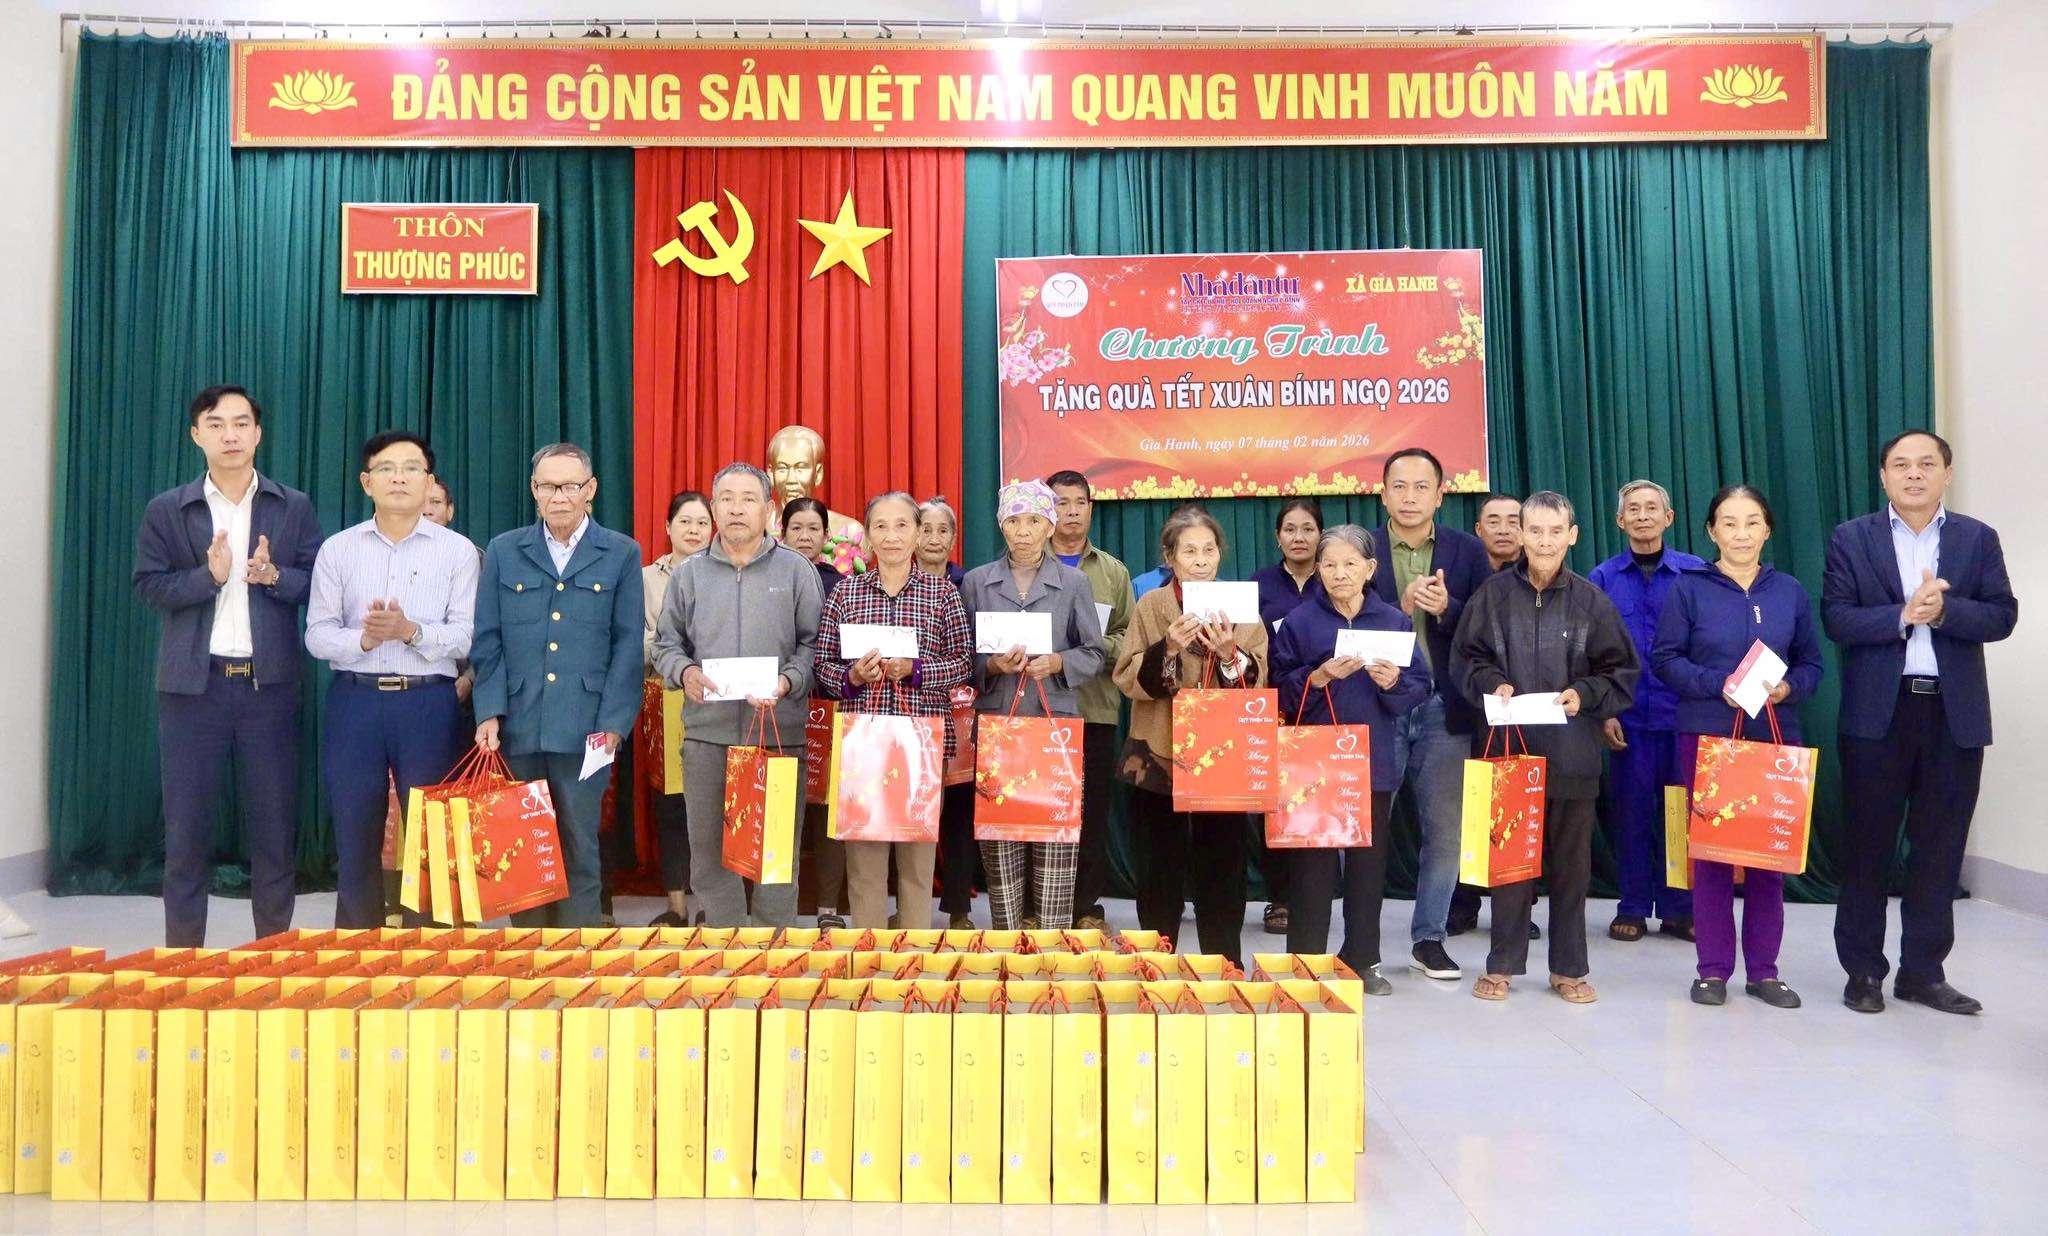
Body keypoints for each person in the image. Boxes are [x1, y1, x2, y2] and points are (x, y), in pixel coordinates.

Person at [1824, 430, 2017, 1015]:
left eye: (1926, 464)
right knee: (1868, 846)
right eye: (1901, 465)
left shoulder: (1977, 538)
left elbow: (2003, 615)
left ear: (1946, 474)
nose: (1914, 474)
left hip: (1953, 716)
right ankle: (1863, 972)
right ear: (1883, 476)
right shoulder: (1852, 537)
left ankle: (1923, 973)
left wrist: (1946, 611)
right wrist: (1903, 615)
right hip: (1878, 715)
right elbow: (1837, 618)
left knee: (1940, 848)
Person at [133, 385, 324, 947]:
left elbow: (319, 583)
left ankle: (273, 956)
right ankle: (184, 963)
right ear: (197, 435)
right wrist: (208, 578)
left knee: (274, 831)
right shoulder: (168, 509)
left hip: (270, 690)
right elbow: (148, 586)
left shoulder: (293, 506)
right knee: (186, 834)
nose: (230, 435)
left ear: (258, 434)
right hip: (193, 691)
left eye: (241, 423)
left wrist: (275, 576)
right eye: (216, 425)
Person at [1450, 491, 1639, 1003]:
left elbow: (1621, 671)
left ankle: (1569, 969)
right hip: (1509, 753)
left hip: (1573, 754)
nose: (1545, 541)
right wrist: (1491, 682)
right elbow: (1466, 659)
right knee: (1510, 866)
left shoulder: (1592, 602)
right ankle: (1502, 964)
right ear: (1520, 534)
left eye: (1556, 531)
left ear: (1572, 535)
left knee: (1571, 871)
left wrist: (1586, 694)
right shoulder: (1491, 596)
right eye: (1535, 531)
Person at [1652, 485, 1824, 1009]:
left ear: (1767, 529)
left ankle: (1765, 972)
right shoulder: (1688, 589)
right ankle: (1713, 971)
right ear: (1712, 531)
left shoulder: (1789, 591)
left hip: (1774, 737)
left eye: (1752, 522)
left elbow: (1813, 665)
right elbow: (1665, 659)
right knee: (1713, 858)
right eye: (1729, 523)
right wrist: (1715, 684)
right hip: (1708, 736)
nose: (1741, 533)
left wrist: (1789, 688)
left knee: (1769, 857)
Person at [304, 431, 477, 929]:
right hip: (355, 703)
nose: (399, 478)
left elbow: (466, 636)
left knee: (431, 834)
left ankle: (431, 951)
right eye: (386, 468)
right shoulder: (338, 550)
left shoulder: (458, 552)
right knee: (354, 827)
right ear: (366, 482)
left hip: (428, 704)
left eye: (411, 468)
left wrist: (410, 632)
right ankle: (358, 948)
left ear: (429, 481)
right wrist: (363, 640)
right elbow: (316, 634)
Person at [471, 443, 645, 928]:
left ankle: (578, 953)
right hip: (519, 723)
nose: (559, 496)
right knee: (523, 846)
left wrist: (614, 724)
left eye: (571, 486)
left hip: (587, 728)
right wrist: (488, 712)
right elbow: (487, 639)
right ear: (533, 490)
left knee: (578, 845)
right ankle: (529, 954)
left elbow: (628, 646)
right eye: (548, 486)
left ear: (591, 490)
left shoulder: (621, 552)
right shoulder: (505, 550)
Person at [653, 462, 822, 928]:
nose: (736, 509)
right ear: (713, 508)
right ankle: (727, 948)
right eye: (726, 499)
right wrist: (685, 672)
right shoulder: (689, 575)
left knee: (775, 858)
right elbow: (666, 644)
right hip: (707, 738)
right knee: (708, 857)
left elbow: (815, 644)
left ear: (769, 509)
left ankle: (773, 953)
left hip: (777, 736)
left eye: (748, 499)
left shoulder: (796, 570)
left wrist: (788, 681)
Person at [1268, 524, 1428, 994]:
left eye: (1350, 564)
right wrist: (1315, 678)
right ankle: (1305, 962)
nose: (1340, 573)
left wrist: (1392, 683)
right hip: (1313, 763)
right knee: (1312, 867)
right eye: (1330, 564)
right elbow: (1276, 689)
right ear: (1318, 569)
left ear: (1370, 568)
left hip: (1372, 760)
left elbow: (1420, 686)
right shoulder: (1300, 622)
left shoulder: (1393, 622)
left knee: (1367, 867)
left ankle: (1362, 959)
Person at [1114, 506, 1269, 966]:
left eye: (1208, 550)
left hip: (1221, 754)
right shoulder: (1152, 606)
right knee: (1158, 865)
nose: (1200, 560)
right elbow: (1126, 676)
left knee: (1222, 863)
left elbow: (1259, 677)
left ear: (1220, 553)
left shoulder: (1240, 605)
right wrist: (1169, 648)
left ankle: (1223, 964)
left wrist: (1230, 655)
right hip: (1159, 750)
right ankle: (1156, 963)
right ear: (1170, 557)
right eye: (1189, 552)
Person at [814, 492, 974, 930]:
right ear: (867, 536)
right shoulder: (845, 593)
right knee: (864, 861)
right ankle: (870, 954)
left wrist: (916, 670)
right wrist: (853, 677)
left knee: (917, 862)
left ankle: (913, 954)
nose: (891, 536)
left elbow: (963, 663)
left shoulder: (943, 594)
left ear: (918, 534)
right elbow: (823, 665)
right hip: (862, 746)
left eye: (902, 525)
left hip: (921, 747)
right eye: (880, 526)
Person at [1369, 448, 1493, 980]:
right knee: (1368, 831)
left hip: (1445, 707)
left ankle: (1429, 939)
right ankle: (1362, 941)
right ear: (1383, 494)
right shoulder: (1362, 549)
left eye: (1422, 487)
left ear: (1441, 495)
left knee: (1445, 833)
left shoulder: (1467, 551)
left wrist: (1449, 610)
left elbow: (1488, 627)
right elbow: (1340, 621)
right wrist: (1396, 610)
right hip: (1378, 706)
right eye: (1399, 486)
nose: (1410, 497)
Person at [961, 481, 1106, 930]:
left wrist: (1058, 662)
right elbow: (963, 657)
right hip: (998, 726)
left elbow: (1095, 653)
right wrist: (992, 665)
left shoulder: (1074, 583)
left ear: (1050, 526)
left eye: (1034, 521)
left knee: (1055, 840)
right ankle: (1007, 942)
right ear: (1001, 525)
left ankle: (1052, 947)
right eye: (1013, 520)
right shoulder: (977, 582)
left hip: (1053, 727)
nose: (1023, 531)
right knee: (1000, 840)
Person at [1588, 480, 1706, 944]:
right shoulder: (1602, 578)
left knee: (1681, 813)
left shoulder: (1695, 573)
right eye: (1633, 510)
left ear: (1668, 518)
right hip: (1628, 718)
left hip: (1684, 716)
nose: (1642, 516)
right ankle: (1633, 906)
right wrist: (1603, 711)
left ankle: (1679, 908)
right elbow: (1591, 653)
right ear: (1620, 521)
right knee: (1632, 814)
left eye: (1651, 508)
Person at [1044, 469, 1135, 933]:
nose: (1072, 511)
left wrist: (1089, 648)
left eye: (1080, 502)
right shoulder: (1027, 564)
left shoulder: (1113, 571)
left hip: (1094, 707)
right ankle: (1040, 902)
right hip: (1038, 709)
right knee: (1041, 807)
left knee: (1091, 812)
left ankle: (1085, 906)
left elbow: (1130, 637)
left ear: (1091, 509)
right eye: (1061, 502)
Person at [1448, 490, 1526, 935]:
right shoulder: (1464, 575)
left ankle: (1516, 907)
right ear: (1478, 530)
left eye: (1513, 520)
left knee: (1516, 804)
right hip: (1470, 708)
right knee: (1472, 807)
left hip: (1523, 709)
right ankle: (1464, 903)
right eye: (1493, 521)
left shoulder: (1538, 578)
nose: (1503, 529)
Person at [1248, 497, 1326, 935]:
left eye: (1308, 529)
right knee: (1274, 804)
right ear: (1277, 537)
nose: (1299, 537)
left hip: (1322, 706)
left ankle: (1313, 896)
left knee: (1317, 799)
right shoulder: (1258, 585)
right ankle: (1279, 897)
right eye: (1290, 529)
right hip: (1272, 708)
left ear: (1320, 535)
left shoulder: (1333, 580)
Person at [643, 490, 713, 928]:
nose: (693, 530)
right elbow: (638, 641)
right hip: (664, 698)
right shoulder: (645, 579)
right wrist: (675, 650)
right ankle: (676, 906)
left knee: (712, 805)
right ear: (668, 527)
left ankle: (709, 901)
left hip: (714, 697)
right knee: (671, 806)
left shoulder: (724, 573)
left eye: (702, 523)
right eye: (685, 521)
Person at [918, 496, 981, 927]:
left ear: (955, 538)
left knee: (959, 809)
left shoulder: (969, 585)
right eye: (925, 528)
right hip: (914, 708)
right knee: (914, 806)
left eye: (943, 530)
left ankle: (959, 907)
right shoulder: (896, 582)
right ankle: (911, 904)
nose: (934, 538)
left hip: (963, 710)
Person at [766, 424, 865, 570]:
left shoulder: (851, 531)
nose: (791, 479)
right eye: (782, 468)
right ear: (771, 473)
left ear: (818, 474)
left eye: (800, 468)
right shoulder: (757, 530)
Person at [781, 496, 847, 599]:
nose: (804, 537)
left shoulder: (840, 586)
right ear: (783, 535)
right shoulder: (769, 578)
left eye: (813, 528)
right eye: (796, 528)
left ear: (825, 536)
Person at [1474, 493, 1523, 573]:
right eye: (1493, 522)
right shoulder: (1465, 573)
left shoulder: (1538, 573)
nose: (1503, 531)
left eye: (1513, 522)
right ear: (1478, 530)